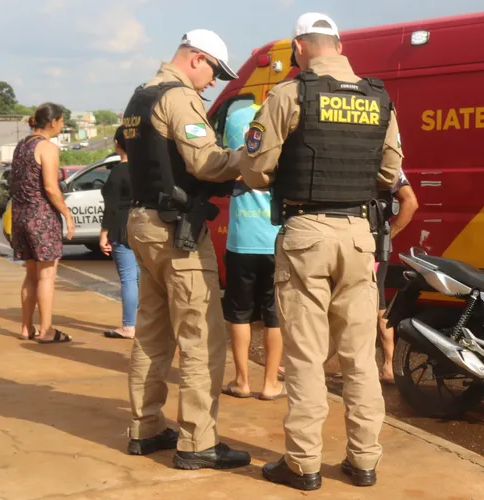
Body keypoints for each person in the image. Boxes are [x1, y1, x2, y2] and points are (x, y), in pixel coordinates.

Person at [239, 12, 402, 492]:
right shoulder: (379, 98)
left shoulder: (289, 94)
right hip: (358, 234)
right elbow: (390, 173)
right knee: (360, 359)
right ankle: (364, 461)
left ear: (299, 46)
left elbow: (254, 169)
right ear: (337, 44)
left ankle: (304, 465)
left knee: (307, 357)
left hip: (307, 231)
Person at [121, 29, 251, 471]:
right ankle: (198, 443)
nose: (213, 82)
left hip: (142, 223)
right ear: (196, 58)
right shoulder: (179, 97)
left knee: (153, 333)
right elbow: (205, 162)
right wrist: (250, 161)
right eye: (214, 70)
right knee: (201, 338)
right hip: (175, 232)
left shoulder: (140, 96)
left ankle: (145, 428)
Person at [219, 104, 285, 401]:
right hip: (274, 240)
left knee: (240, 314)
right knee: (274, 315)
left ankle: (242, 380)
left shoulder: (235, 135)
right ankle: (270, 383)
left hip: (240, 241)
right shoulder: (282, 140)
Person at [10, 103, 75, 344]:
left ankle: (26, 327)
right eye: (61, 121)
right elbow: (50, 187)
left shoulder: (22, 145)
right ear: (51, 123)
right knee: (47, 275)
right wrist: (67, 214)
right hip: (41, 217)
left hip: (20, 215)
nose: (63, 125)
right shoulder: (46, 147)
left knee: (30, 274)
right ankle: (46, 330)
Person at [375, 168, 418, 383]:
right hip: (368, 248)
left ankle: (388, 367)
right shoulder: (386, 162)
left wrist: (386, 236)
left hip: (369, 250)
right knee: (377, 305)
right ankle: (388, 367)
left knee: (375, 306)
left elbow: (410, 203)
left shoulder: (386, 165)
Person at [100, 126, 137, 339]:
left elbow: (111, 207)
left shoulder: (117, 172)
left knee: (128, 279)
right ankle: (144, 323)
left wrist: (104, 233)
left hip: (122, 227)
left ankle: (128, 326)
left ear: (117, 144)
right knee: (142, 278)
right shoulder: (148, 170)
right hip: (144, 225)